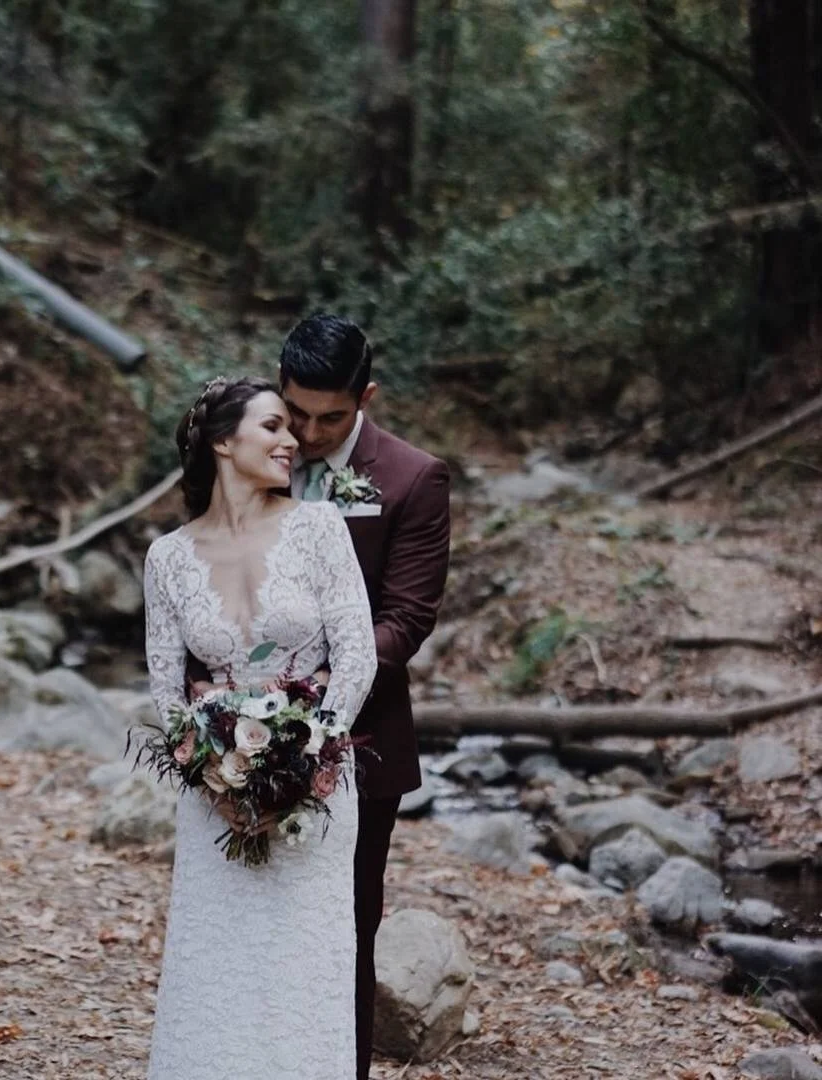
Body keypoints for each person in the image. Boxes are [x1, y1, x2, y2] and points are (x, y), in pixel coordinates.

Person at [143, 375, 378, 1080]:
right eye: (273, 427)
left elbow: (357, 653)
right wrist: (209, 771)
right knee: (218, 967)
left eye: (290, 429)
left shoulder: (319, 527)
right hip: (215, 799)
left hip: (319, 790)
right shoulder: (167, 558)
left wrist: (311, 760)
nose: (292, 440)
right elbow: (165, 686)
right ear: (223, 441)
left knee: (303, 969)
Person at [279, 313, 452, 1080]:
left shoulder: (413, 478)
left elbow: (407, 621)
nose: (309, 433)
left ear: (366, 397)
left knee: (344, 927)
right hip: (240, 735)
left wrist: (307, 687)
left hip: (359, 742)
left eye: (330, 417)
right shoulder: (249, 452)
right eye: (297, 413)